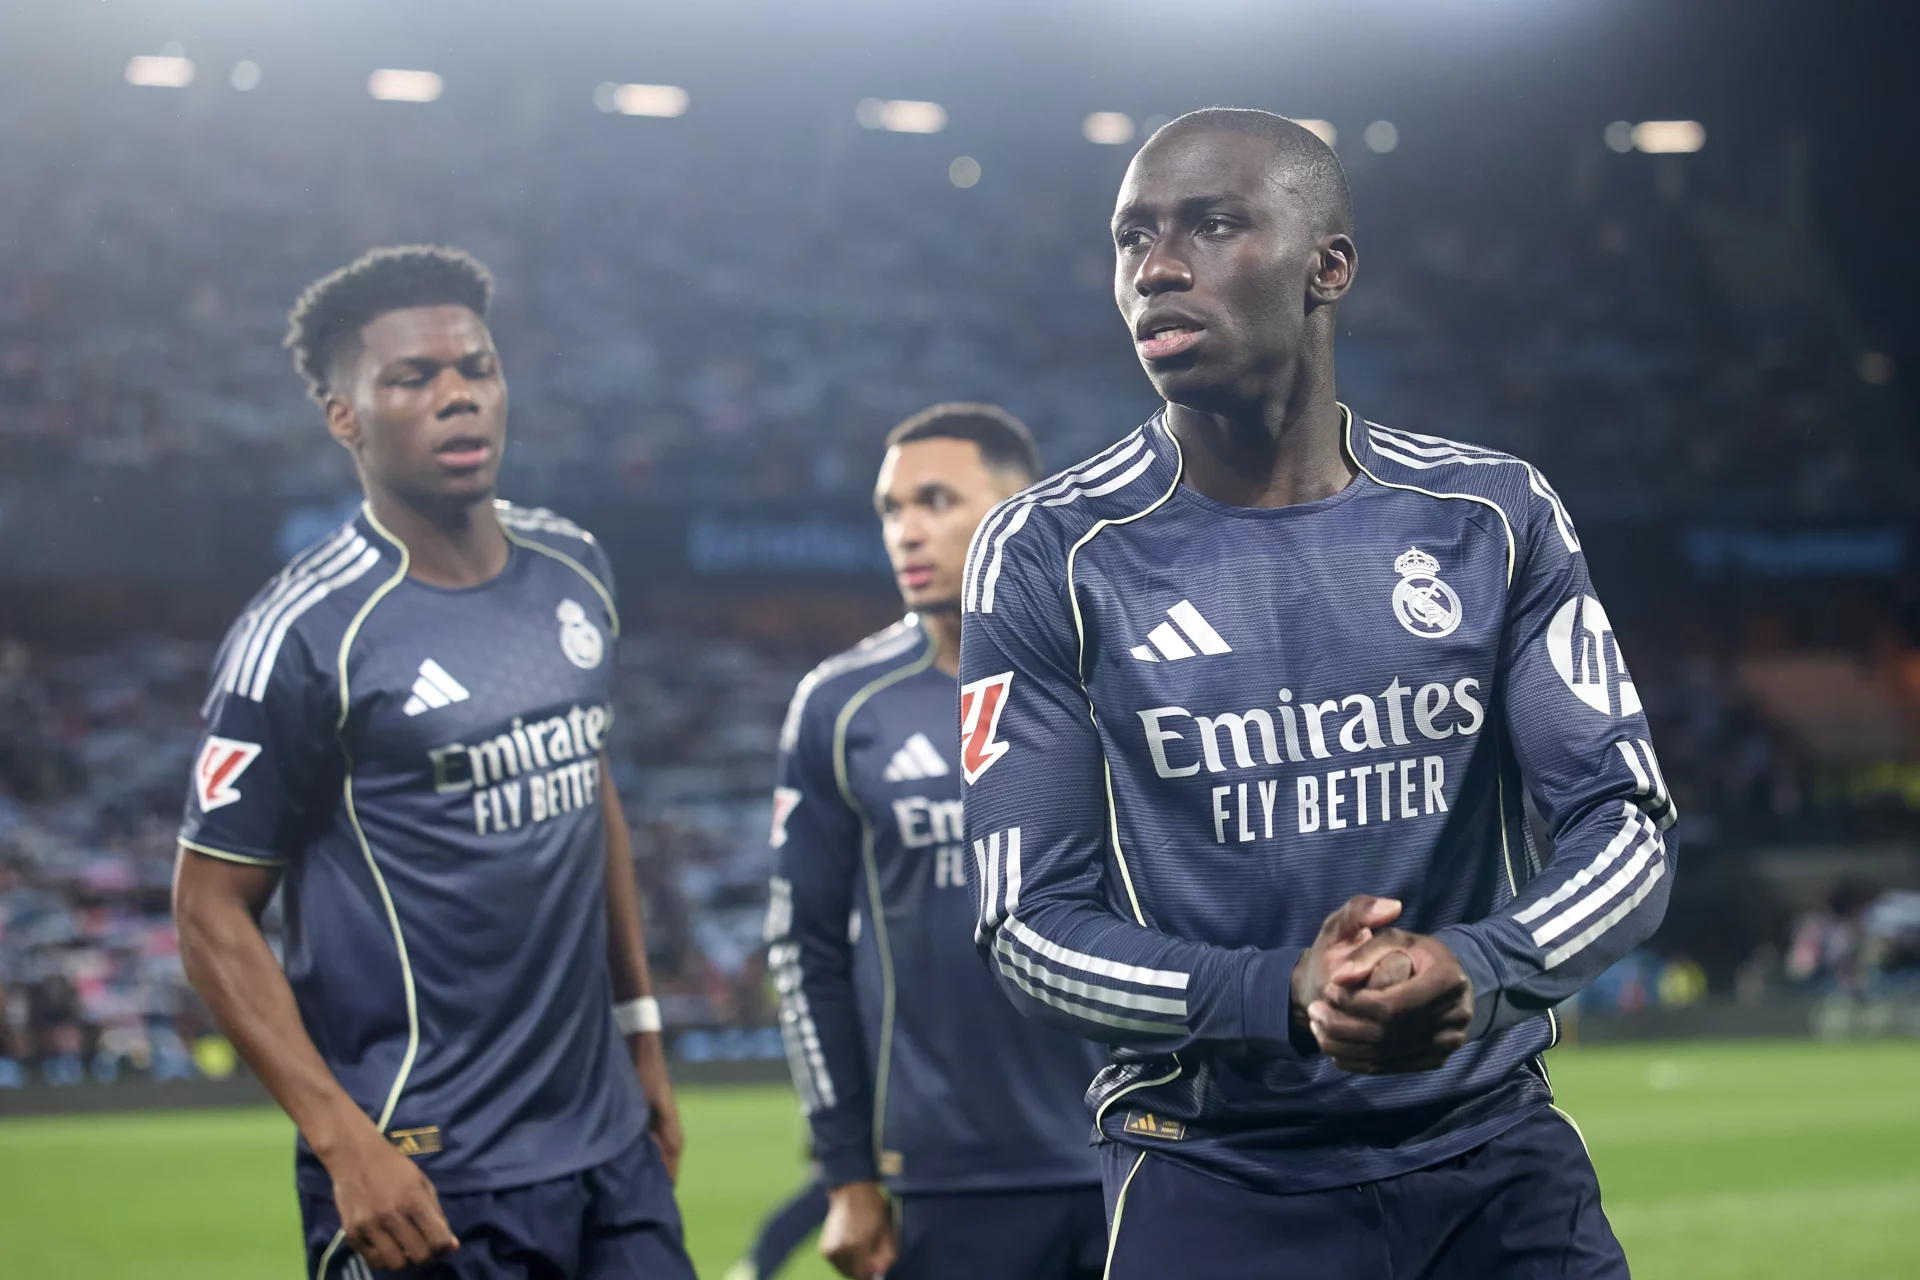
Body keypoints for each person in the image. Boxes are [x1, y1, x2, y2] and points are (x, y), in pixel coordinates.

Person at [958, 110, 1679, 1279]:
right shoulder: (1050, 552)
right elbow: (1025, 920)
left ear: (1327, 266)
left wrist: (1481, 966)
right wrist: (1279, 993)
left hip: (1492, 1162)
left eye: (1214, 224)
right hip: (1211, 1168)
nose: (1157, 266)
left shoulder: (1494, 517)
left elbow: (1628, 823)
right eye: (1131, 237)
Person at [172, 246, 693, 1280]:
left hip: (608, 1152)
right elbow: (207, 907)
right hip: (423, 1169)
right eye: (414, 377)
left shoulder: (574, 566)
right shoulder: (305, 633)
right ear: (345, 416)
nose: (459, 396)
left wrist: (642, 1031)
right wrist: (343, 1140)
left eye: (478, 367)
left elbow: (590, 788)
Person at [766, 404, 1109, 1280]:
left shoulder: (1119, 677)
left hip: (1138, 1143)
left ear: (1017, 509)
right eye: (891, 509)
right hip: (949, 1181)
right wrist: (846, 1175)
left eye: (936, 501)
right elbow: (805, 952)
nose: (906, 532)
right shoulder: (841, 707)